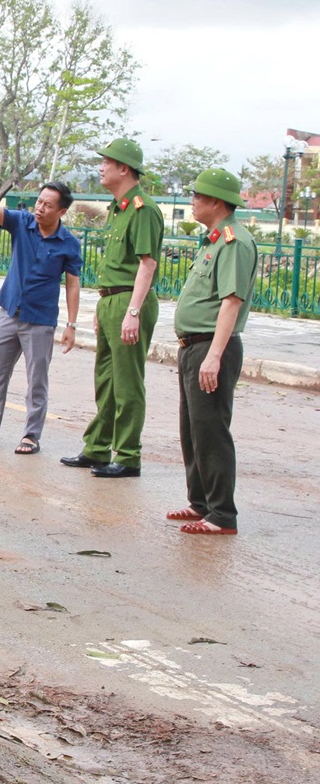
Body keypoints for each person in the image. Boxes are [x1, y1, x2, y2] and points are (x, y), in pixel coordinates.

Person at [0, 178, 83, 455]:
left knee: (37, 380)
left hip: (41, 320)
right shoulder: (22, 223)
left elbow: (72, 283)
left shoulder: (69, 244)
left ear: (61, 211)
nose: (41, 208)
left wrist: (71, 324)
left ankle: (31, 436)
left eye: (48, 205)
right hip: (10, 312)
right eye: (39, 201)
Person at [61, 138, 164, 478]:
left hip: (129, 301)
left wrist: (133, 312)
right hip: (111, 300)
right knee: (105, 380)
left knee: (127, 382)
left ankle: (129, 455)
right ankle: (97, 448)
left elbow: (147, 265)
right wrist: (102, 305)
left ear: (124, 168)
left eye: (107, 162)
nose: (101, 167)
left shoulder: (143, 209)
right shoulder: (117, 208)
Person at [168, 168, 259, 535]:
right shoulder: (213, 240)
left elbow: (231, 302)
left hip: (211, 346)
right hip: (193, 345)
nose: (192, 201)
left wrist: (215, 355)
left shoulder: (234, 242)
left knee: (211, 429)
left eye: (198, 196)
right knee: (192, 428)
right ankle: (201, 502)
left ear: (217, 202)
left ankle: (222, 514)